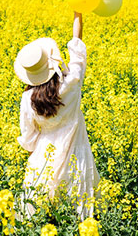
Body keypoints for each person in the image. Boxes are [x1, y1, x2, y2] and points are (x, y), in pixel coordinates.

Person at [14, 12, 99, 220]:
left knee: (39, 214)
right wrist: (78, 13)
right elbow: (77, 48)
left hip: (43, 158)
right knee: (78, 208)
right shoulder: (71, 83)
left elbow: (28, 138)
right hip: (76, 153)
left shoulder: (28, 99)